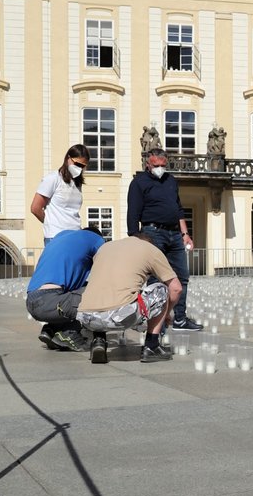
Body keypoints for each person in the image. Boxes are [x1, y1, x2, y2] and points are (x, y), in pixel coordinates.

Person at [126, 148, 202, 331]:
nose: (160, 168)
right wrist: (135, 236)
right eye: (156, 165)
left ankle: (180, 319)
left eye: (163, 165)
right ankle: (155, 322)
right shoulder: (139, 182)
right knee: (155, 279)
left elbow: (178, 209)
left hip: (175, 234)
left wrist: (185, 234)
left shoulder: (170, 181)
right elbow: (133, 211)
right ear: (148, 164)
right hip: (152, 233)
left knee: (182, 277)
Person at [77, 233, 182, 364]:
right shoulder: (150, 249)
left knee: (102, 292)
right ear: (148, 243)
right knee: (161, 289)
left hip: (86, 317)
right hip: (120, 317)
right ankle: (152, 346)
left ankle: (99, 341)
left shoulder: (105, 247)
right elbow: (176, 289)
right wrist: (165, 314)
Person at [25, 225, 105, 351]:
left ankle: (51, 329)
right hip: (52, 300)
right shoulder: (96, 239)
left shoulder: (61, 236)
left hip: (31, 302)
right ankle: (69, 332)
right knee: (99, 295)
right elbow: (105, 269)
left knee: (78, 290)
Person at [31, 144, 89, 245]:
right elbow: (35, 208)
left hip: (75, 235)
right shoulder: (53, 178)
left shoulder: (77, 183)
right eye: (77, 164)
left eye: (82, 166)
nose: (79, 168)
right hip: (56, 236)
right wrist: (51, 222)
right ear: (68, 158)